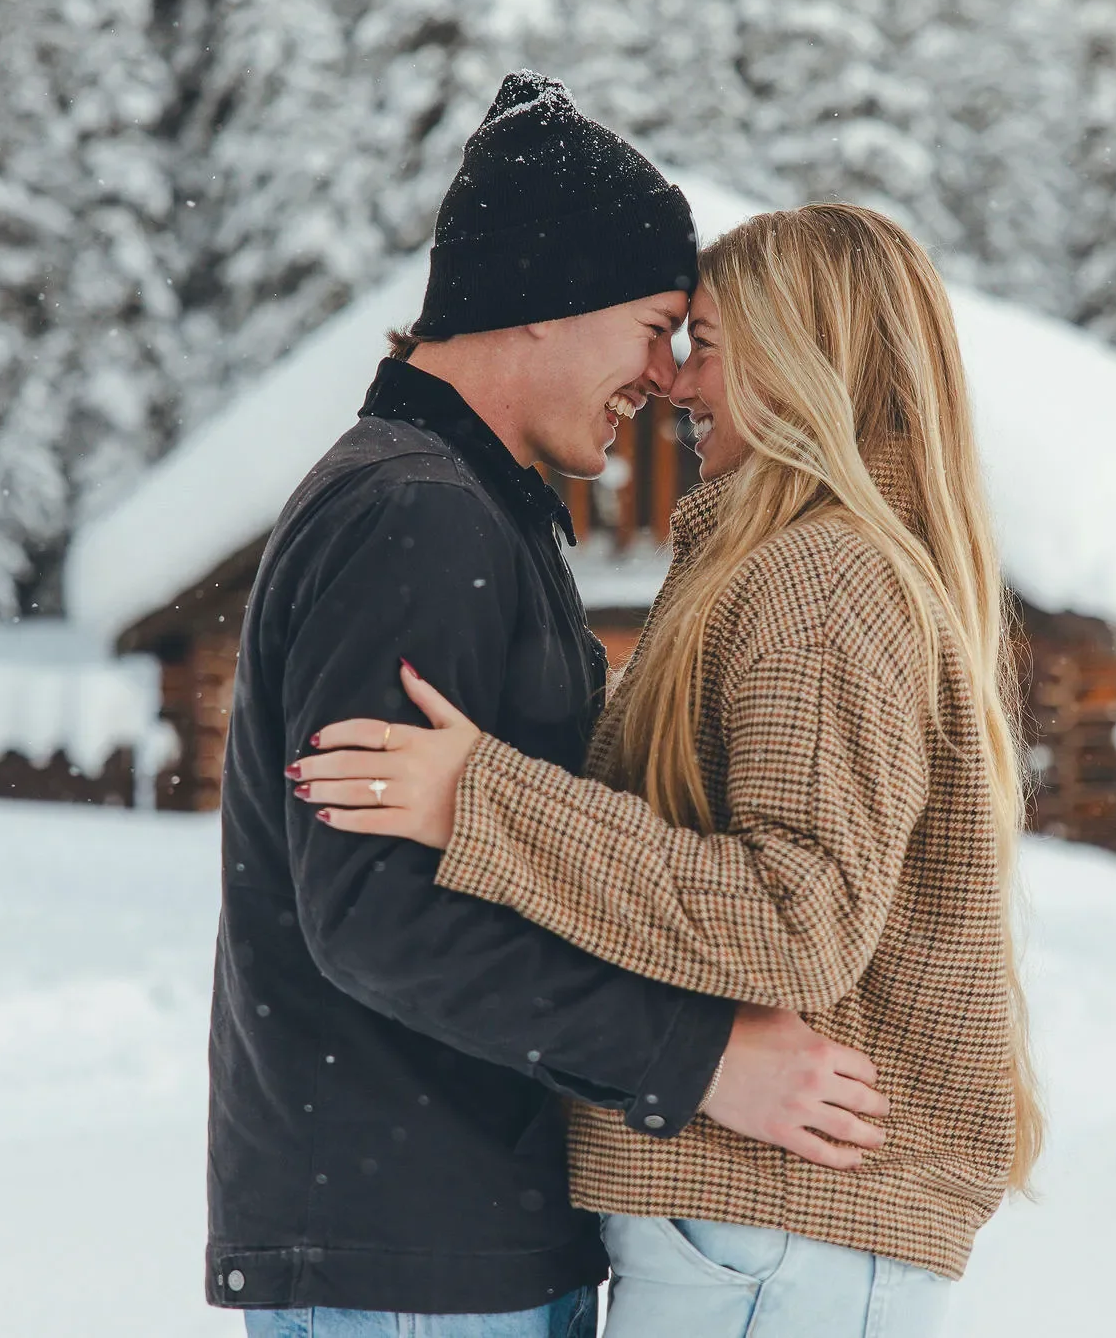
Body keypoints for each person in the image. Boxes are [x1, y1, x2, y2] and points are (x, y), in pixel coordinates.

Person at [207, 73, 889, 1337]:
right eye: (653, 323)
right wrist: (700, 1063)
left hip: (438, 1238)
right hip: (417, 1252)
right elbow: (375, 919)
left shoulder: (467, 508)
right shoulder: (414, 515)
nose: (667, 374)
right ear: (539, 300)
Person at [292, 202, 1045, 1336]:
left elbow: (800, 921)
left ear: (804, 364)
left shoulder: (820, 580)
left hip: (776, 1223)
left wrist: (483, 799)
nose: (676, 386)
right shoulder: (805, 567)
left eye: (709, 349)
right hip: (768, 1232)